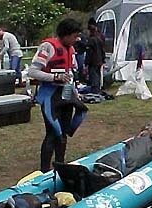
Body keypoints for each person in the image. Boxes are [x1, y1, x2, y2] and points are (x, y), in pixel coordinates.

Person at [28, 18, 88, 173]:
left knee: (64, 132)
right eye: (74, 36)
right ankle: (44, 170)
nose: (76, 39)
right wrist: (54, 78)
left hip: (65, 94)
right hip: (50, 95)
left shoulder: (70, 50)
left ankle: (60, 165)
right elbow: (32, 72)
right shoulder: (47, 47)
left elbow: (70, 73)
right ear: (65, 34)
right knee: (53, 132)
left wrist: (75, 92)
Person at [85, 18, 106, 94]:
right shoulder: (101, 37)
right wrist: (103, 59)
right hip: (99, 60)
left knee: (93, 76)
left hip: (93, 61)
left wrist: (86, 63)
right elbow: (103, 49)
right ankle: (98, 89)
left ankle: (95, 91)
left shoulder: (91, 39)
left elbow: (89, 52)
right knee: (98, 75)